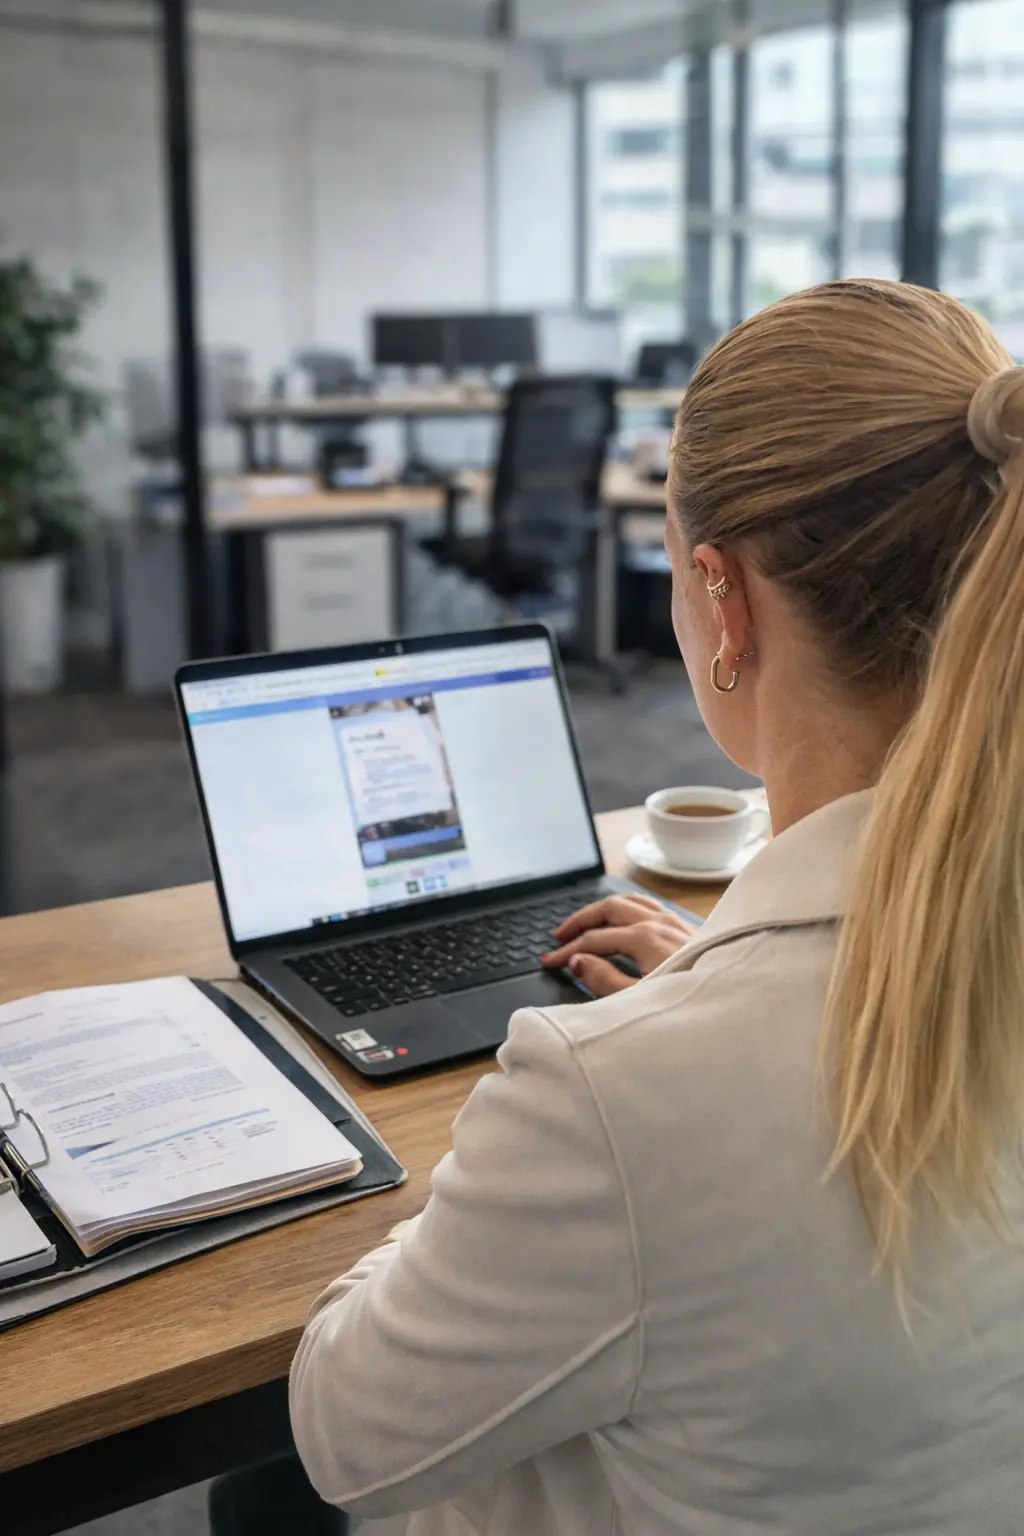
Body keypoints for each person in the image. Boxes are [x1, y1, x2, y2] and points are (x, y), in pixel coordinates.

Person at [287, 280, 1024, 1534]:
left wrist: (529, 1146)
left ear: (720, 598)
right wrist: (712, 981)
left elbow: (342, 1434)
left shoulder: (614, 1100)